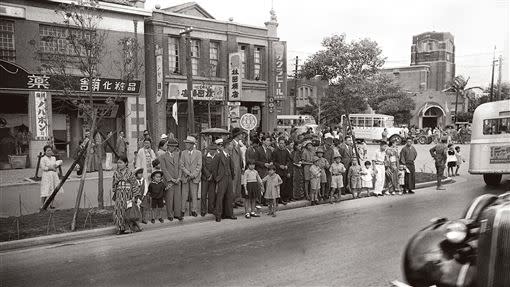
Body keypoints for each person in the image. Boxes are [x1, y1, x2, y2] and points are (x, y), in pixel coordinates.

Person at [112, 156, 141, 234]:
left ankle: (128, 227)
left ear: (126, 163)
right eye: (118, 163)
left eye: (121, 163)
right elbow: (114, 185)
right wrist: (116, 188)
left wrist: (135, 196)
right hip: (119, 194)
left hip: (128, 194)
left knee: (127, 211)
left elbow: (134, 184)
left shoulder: (130, 172)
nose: (119, 164)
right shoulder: (116, 173)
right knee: (118, 211)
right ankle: (119, 228)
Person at [211, 139, 237, 222]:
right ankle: (218, 215)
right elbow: (214, 168)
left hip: (229, 177)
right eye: (231, 145)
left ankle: (228, 214)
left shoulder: (229, 155)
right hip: (222, 178)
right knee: (220, 196)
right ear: (226, 146)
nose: (232, 146)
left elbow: (231, 167)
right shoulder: (218, 156)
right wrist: (217, 178)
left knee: (229, 196)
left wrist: (232, 176)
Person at [159, 138, 183, 221]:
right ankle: (170, 214)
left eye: (175, 146)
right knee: (169, 198)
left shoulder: (178, 154)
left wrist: (179, 177)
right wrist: (171, 179)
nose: (174, 148)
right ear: (168, 146)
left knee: (177, 197)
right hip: (169, 181)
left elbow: (180, 167)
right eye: (172, 146)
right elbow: (164, 169)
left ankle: (177, 214)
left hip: (177, 180)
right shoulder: (163, 156)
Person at [180, 136, 202, 217]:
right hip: (186, 177)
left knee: (194, 195)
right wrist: (188, 174)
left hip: (194, 177)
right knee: (184, 195)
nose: (186, 144)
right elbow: (181, 165)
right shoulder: (183, 153)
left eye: (187, 143)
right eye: (186, 143)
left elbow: (199, 166)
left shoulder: (198, 153)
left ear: (192, 144)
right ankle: (182, 210)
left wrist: (193, 175)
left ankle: (194, 210)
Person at [272, 137, 292, 204]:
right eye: (280, 143)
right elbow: (273, 161)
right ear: (278, 143)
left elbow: (289, 160)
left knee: (284, 185)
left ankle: (283, 198)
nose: (281, 144)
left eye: (282, 143)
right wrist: (279, 166)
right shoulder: (275, 151)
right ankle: (278, 199)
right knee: (278, 186)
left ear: (284, 144)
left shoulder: (286, 151)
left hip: (285, 171)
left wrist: (286, 166)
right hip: (278, 171)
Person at [201, 143, 218, 216]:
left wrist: (212, 176)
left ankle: (210, 209)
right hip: (205, 178)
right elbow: (203, 167)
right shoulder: (204, 157)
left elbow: (217, 168)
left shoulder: (217, 157)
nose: (213, 151)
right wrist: (208, 175)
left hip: (213, 179)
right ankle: (203, 210)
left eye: (214, 150)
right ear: (208, 150)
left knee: (212, 195)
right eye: (211, 149)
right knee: (203, 195)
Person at [230, 128, 245, 208]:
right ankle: (232, 201)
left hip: (238, 167)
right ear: (237, 135)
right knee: (233, 185)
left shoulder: (238, 144)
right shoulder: (231, 144)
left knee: (238, 185)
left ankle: (236, 200)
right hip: (234, 168)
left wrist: (242, 166)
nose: (242, 136)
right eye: (241, 134)